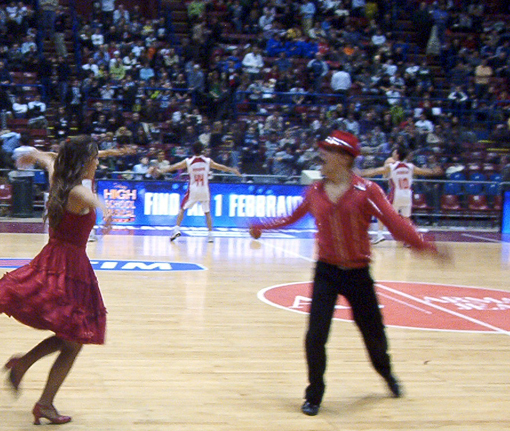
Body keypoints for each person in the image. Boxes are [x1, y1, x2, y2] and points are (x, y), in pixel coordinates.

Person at [249, 130, 450, 416]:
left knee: (373, 334)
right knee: (315, 336)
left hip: (358, 274)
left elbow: (395, 224)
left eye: (327, 152)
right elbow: (291, 218)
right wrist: (262, 226)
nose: (321, 156)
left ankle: (386, 373)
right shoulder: (315, 191)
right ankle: (314, 394)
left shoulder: (367, 191)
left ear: (344, 158)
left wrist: (426, 246)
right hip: (326, 272)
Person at [0, 136, 113, 425]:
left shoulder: (59, 180)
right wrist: (106, 208)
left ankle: (28, 376)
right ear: (84, 162)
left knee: (71, 338)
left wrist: (36, 154)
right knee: (74, 338)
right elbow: (90, 198)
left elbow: (51, 160)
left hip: (57, 260)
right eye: (95, 158)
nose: (98, 162)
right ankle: (41, 397)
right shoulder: (78, 192)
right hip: (68, 266)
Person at [152, 141, 241, 243]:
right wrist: (233, 170)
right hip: (204, 189)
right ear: (202, 150)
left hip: (193, 189)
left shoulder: (189, 161)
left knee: (182, 209)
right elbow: (221, 167)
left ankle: (176, 229)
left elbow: (174, 167)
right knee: (207, 212)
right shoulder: (207, 161)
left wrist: (161, 171)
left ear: (192, 150)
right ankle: (210, 235)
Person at [359, 145, 443, 244]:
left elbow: (374, 171)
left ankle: (379, 235)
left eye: (395, 153)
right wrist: (434, 171)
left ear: (398, 155)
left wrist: (360, 173)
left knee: (380, 212)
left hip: (396, 194)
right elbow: (425, 172)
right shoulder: (411, 166)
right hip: (407, 194)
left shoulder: (392, 166)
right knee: (406, 218)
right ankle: (409, 239)